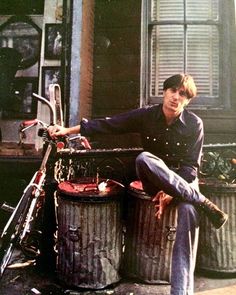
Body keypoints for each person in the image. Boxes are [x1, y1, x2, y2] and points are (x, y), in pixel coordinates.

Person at [48, 74, 228, 295]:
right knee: (144, 158)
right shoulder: (147, 115)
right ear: (164, 92)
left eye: (183, 94)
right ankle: (202, 200)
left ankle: (181, 292)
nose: (176, 97)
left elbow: (191, 167)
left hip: (182, 185)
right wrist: (66, 131)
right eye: (173, 90)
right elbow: (109, 124)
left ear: (188, 101)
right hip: (156, 179)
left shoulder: (194, 124)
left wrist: (171, 193)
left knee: (189, 212)